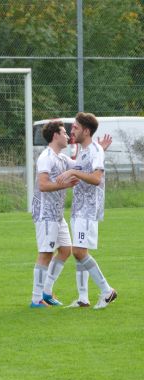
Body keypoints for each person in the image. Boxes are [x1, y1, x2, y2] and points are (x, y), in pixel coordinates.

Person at [56, 112, 117, 309]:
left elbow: (97, 178)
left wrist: (74, 171)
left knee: (79, 251)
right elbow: (87, 169)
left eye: (76, 127)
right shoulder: (85, 150)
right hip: (79, 209)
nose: (72, 130)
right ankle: (83, 298)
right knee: (79, 251)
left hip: (88, 210)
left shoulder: (94, 150)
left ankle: (107, 290)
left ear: (86, 131)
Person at [30, 121, 79, 308]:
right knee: (46, 253)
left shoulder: (62, 158)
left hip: (57, 214)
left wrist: (98, 151)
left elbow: (80, 167)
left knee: (66, 250)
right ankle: (36, 299)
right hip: (45, 214)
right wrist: (65, 184)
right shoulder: (46, 157)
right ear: (55, 135)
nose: (67, 136)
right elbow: (43, 185)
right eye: (64, 133)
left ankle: (46, 292)